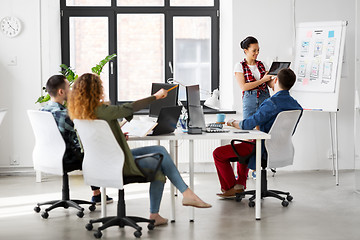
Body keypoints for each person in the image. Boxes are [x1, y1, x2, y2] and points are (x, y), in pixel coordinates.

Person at [67, 73, 211, 226]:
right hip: (117, 164)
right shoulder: (102, 110)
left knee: (159, 150)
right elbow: (129, 107)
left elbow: (92, 142)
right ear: (95, 90)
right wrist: (155, 97)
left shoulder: (79, 114)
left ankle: (178, 200)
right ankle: (179, 198)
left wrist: (117, 137)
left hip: (100, 163)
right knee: (159, 165)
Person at [214, 68, 302, 198]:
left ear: (276, 80)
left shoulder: (271, 103)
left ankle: (230, 188)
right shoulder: (296, 106)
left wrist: (233, 122)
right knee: (246, 145)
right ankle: (240, 185)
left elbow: (248, 124)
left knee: (218, 153)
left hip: (261, 148)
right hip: (280, 149)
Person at [40, 75, 113, 205]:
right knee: (92, 156)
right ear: (61, 92)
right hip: (66, 157)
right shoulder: (64, 114)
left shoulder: (42, 111)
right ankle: (97, 195)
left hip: (46, 156)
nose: (72, 91)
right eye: (69, 88)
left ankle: (96, 194)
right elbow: (82, 136)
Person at [235, 36, 274, 119]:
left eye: (258, 50)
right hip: (250, 99)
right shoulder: (239, 66)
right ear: (246, 51)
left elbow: (270, 84)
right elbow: (244, 87)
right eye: (254, 50)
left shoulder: (262, 64)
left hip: (265, 97)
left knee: (265, 125)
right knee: (248, 126)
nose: (257, 53)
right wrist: (263, 80)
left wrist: (278, 74)